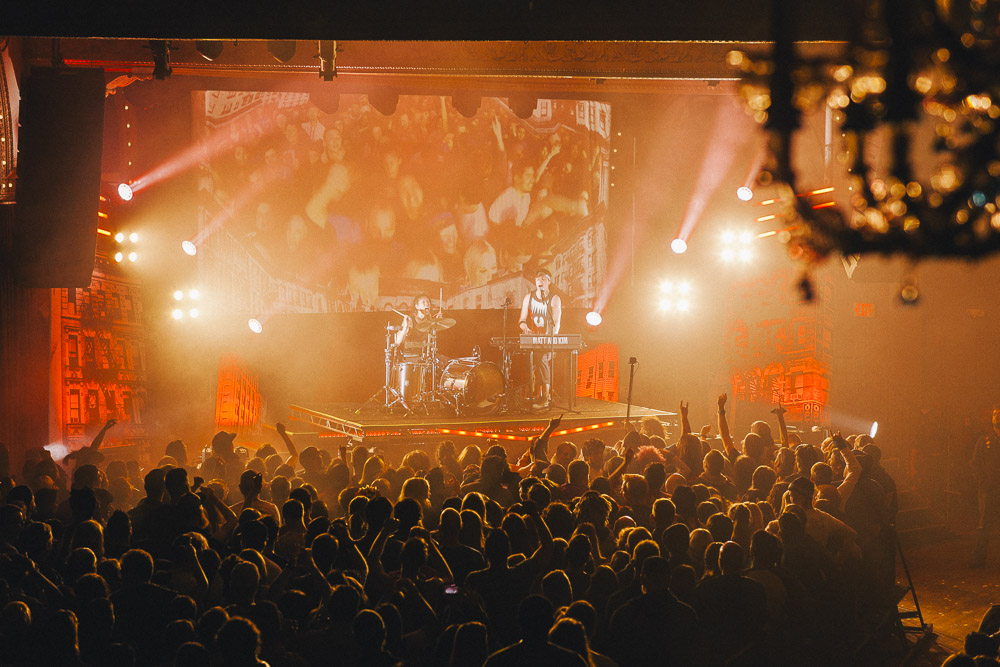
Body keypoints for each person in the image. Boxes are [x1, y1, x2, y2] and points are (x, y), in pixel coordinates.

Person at [519, 268, 562, 409]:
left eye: (543, 279)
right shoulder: (528, 297)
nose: (540, 281)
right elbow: (522, 320)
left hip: (548, 339)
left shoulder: (554, 298)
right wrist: (526, 328)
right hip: (533, 338)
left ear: (549, 281)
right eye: (538, 279)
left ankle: (546, 398)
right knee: (530, 364)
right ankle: (532, 394)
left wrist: (550, 338)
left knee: (542, 360)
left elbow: (556, 321)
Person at [970, 407, 1000, 568]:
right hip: (989, 491)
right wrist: (984, 483)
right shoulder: (984, 441)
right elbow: (975, 465)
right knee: (983, 526)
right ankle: (978, 559)